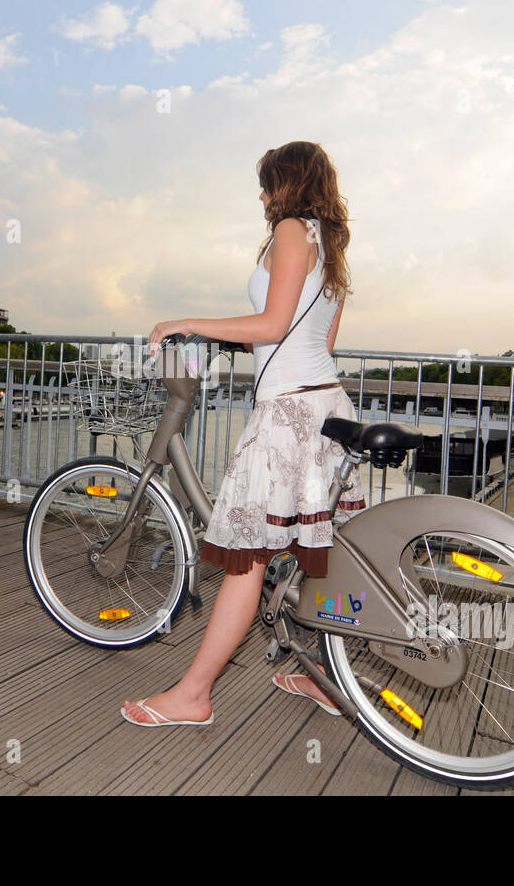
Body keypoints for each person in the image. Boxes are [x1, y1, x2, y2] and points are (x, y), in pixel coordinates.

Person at [122, 141, 368, 728]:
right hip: (327, 405)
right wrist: (236, 340)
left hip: (286, 415)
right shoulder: (330, 245)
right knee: (318, 553)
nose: (261, 196)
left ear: (286, 184)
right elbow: (313, 342)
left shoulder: (289, 230)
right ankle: (325, 677)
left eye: (266, 185)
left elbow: (273, 324)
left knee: (244, 558)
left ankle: (194, 694)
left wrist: (187, 321)